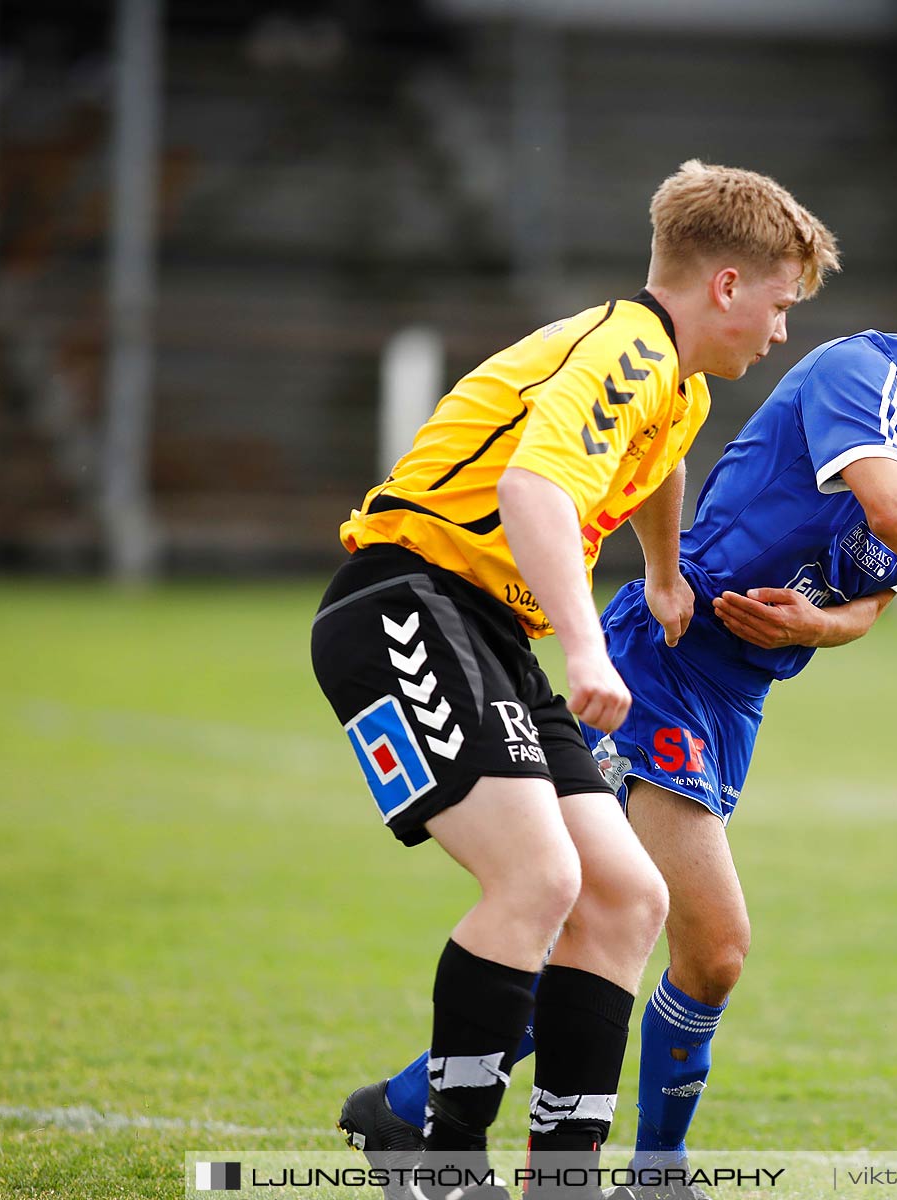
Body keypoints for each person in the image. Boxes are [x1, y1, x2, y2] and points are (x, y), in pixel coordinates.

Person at [350, 235, 897, 1199]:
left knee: (685, 952)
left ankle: (412, 1107)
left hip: (739, 693)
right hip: (666, 662)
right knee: (694, 935)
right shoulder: (863, 375)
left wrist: (821, 624)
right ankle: (642, 1172)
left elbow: (878, 599)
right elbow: (890, 515)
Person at [312, 159, 838, 1200]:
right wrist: (588, 649)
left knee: (628, 898)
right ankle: (441, 1167)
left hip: (481, 630)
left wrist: (661, 565)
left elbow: (659, 458)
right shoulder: (629, 351)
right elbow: (535, 486)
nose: (780, 334)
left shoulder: (674, 383)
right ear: (724, 286)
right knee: (541, 881)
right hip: (404, 604)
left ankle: (562, 1181)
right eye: (778, 306)